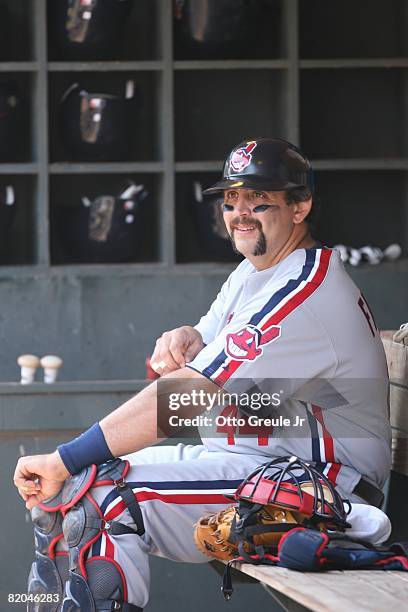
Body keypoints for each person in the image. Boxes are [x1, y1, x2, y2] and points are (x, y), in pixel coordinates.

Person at [14, 137, 392, 611]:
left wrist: (67, 457)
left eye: (260, 200)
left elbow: (182, 398)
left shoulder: (304, 290)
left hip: (322, 489)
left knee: (101, 499)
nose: (240, 213)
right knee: (73, 492)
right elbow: (190, 359)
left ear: (300, 207)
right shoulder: (255, 273)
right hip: (261, 468)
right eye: (232, 200)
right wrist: (187, 337)